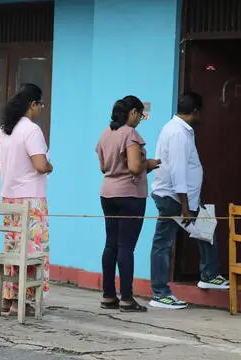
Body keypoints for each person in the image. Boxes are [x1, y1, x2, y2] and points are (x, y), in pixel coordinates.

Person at [149, 92, 229, 310]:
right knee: (163, 243)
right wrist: (184, 205)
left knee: (206, 226)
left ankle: (210, 274)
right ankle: (160, 293)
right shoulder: (178, 134)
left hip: (182, 198)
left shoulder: (179, 130)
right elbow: (177, 171)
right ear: (195, 111)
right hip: (173, 199)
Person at [0, 83, 52, 317]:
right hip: (31, 200)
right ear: (33, 104)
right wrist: (49, 166)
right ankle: (23, 301)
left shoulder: (4, 129)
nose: (40, 110)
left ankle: (9, 298)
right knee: (32, 251)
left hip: (9, 197)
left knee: (13, 250)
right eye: (40, 105)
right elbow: (39, 165)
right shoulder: (32, 130)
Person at [95, 96, 161, 312]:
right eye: (140, 115)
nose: (140, 119)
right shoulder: (130, 134)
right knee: (126, 247)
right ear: (132, 112)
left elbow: (103, 166)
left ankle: (107, 295)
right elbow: (134, 167)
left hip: (108, 193)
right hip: (130, 195)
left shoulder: (106, 133)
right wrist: (148, 164)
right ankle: (126, 298)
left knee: (110, 244)